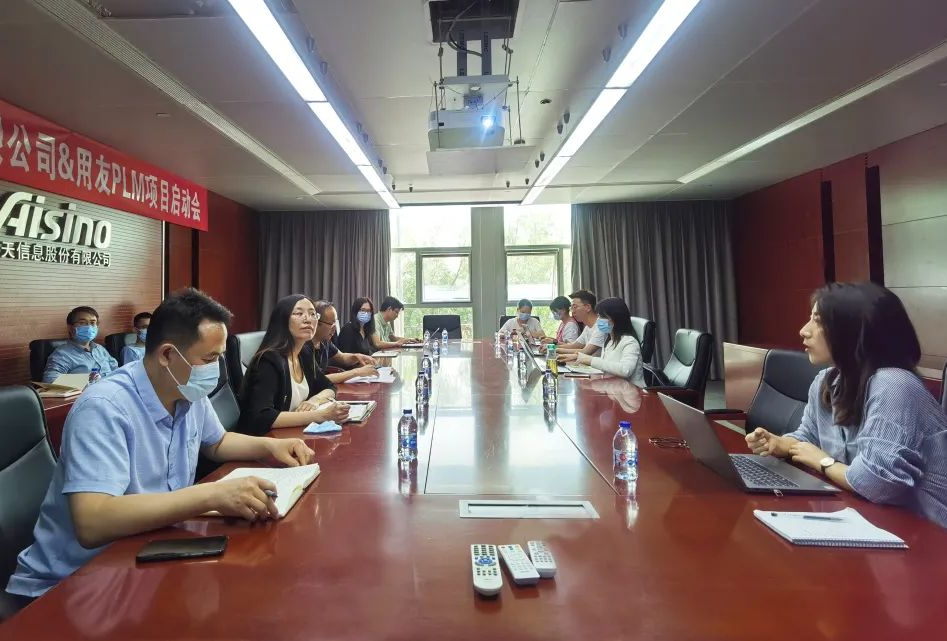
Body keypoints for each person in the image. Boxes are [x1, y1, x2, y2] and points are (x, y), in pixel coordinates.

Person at [5, 288, 315, 602]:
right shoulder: (105, 407)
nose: (218, 368)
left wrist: (269, 447)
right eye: (209, 359)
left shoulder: (186, 389)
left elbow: (217, 442)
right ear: (167, 355)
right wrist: (211, 494)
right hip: (69, 585)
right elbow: (93, 521)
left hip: (145, 556)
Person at [746, 282, 947, 528]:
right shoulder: (828, 380)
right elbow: (809, 437)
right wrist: (781, 444)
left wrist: (824, 462)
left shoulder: (894, 384)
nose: (803, 331)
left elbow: (877, 483)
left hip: (928, 532)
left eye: (819, 322)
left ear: (855, 331)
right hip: (869, 517)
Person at [238, 295, 349, 435]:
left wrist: (315, 400)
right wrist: (321, 416)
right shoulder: (269, 360)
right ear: (282, 320)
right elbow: (261, 416)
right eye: (299, 313)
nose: (308, 319)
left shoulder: (304, 353)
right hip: (266, 439)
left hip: (294, 434)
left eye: (313, 314)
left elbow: (329, 387)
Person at [558, 297, 645, 386]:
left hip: (633, 391)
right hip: (614, 387)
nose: (598, 320)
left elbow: (625, 370)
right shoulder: (609, 341)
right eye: (599, 316)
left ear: (615, 318)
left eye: (602, 316)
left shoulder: (630, 341)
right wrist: (579, 359)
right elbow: (606, 365)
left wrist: (589, 360)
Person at [313, 300, 383, 384]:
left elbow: (341, 357)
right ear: (316, 322)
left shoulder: (324, 341)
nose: (334, 329)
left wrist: (357, 356)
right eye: (331, 323)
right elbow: (316, 380)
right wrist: (357, 372)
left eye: (335, 323)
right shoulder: (305, 346)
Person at [42, 306, 118, 383]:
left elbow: (116, 370)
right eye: (82, 323)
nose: (89, 327)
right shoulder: (62, 354)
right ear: (70, 327)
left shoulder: (99, 349)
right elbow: (50, 379)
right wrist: (85, 381)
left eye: (92, 323)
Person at [556, 289, 606, 357]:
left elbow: (586, 351)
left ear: (588, 307)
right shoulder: (588, 327)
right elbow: (574, 346)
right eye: (571, 308)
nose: (572, 311)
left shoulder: (602, 324)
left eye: (575, 307)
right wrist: (551, 346)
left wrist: (555, 350)